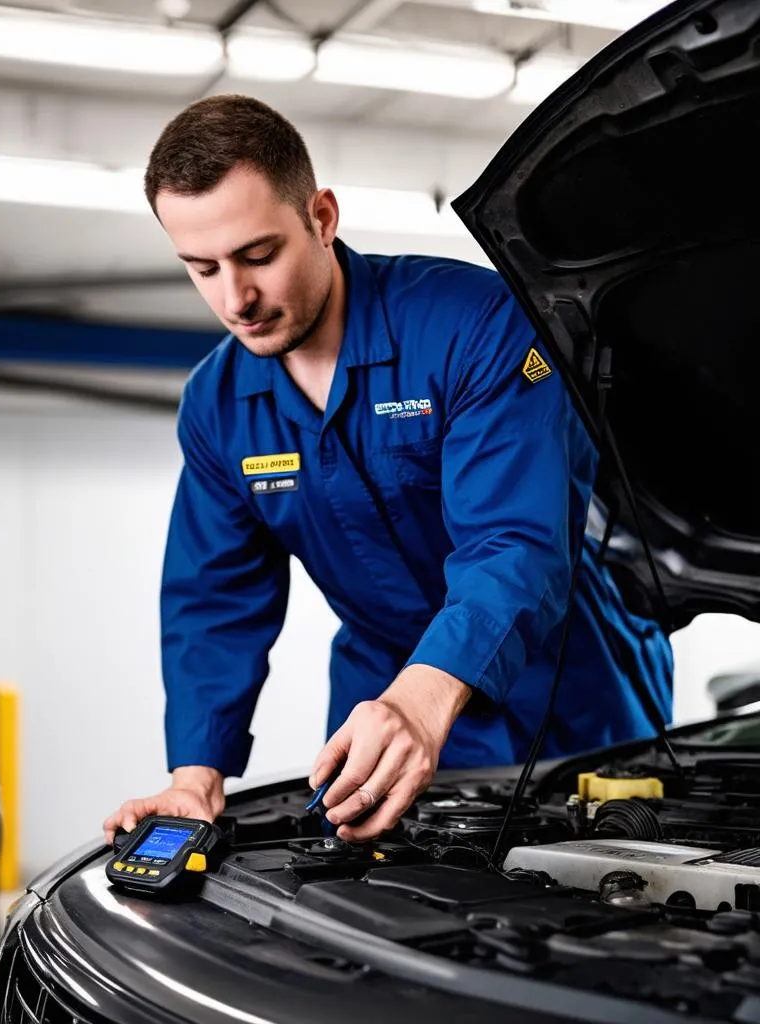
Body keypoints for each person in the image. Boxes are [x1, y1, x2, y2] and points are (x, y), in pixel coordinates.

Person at [103, 94, 672, 845]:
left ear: (322, 217)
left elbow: (514, 544)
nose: (235, 298)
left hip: (570, 697)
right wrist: (195, 776)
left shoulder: (476, 326)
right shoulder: (218, 404)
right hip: (381, 710)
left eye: (258, 255)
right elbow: (214, 599)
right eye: (201, 268)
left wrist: (421, 699)